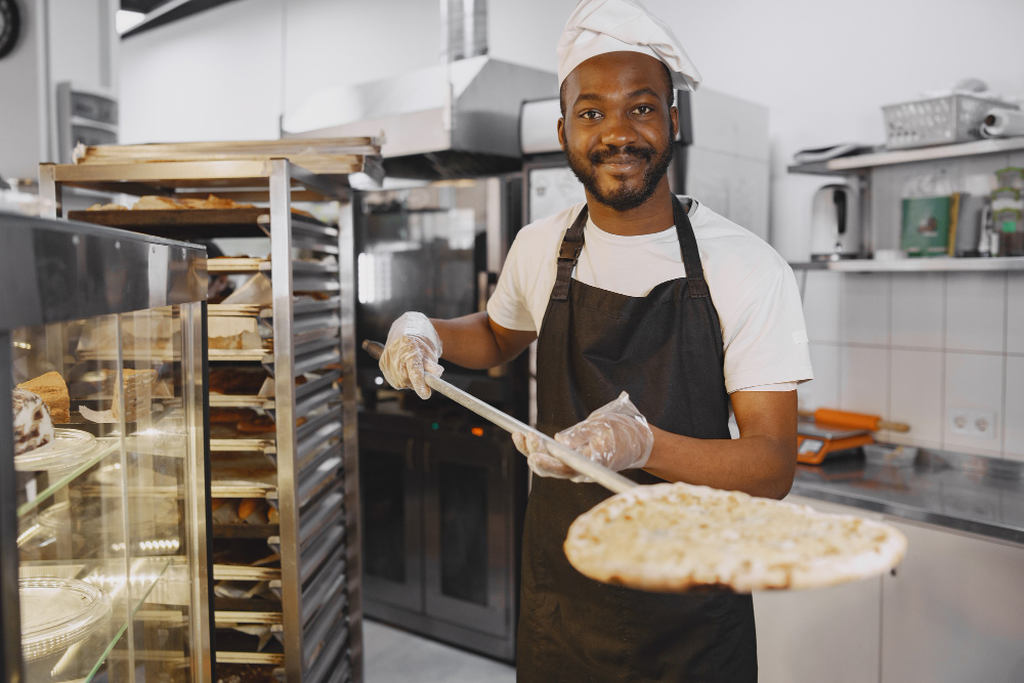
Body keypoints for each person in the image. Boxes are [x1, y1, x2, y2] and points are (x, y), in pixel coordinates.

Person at [378, 0, 813, 679]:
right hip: (564, 601)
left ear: (674, 119)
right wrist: (425, 331)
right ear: (564, 130)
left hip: (691, 615)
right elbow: (497, 334)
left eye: (641, 107)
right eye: (591, 112)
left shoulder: (745, 267)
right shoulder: (542, 245)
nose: (617, 131)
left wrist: (642, 444)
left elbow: (771, 465)